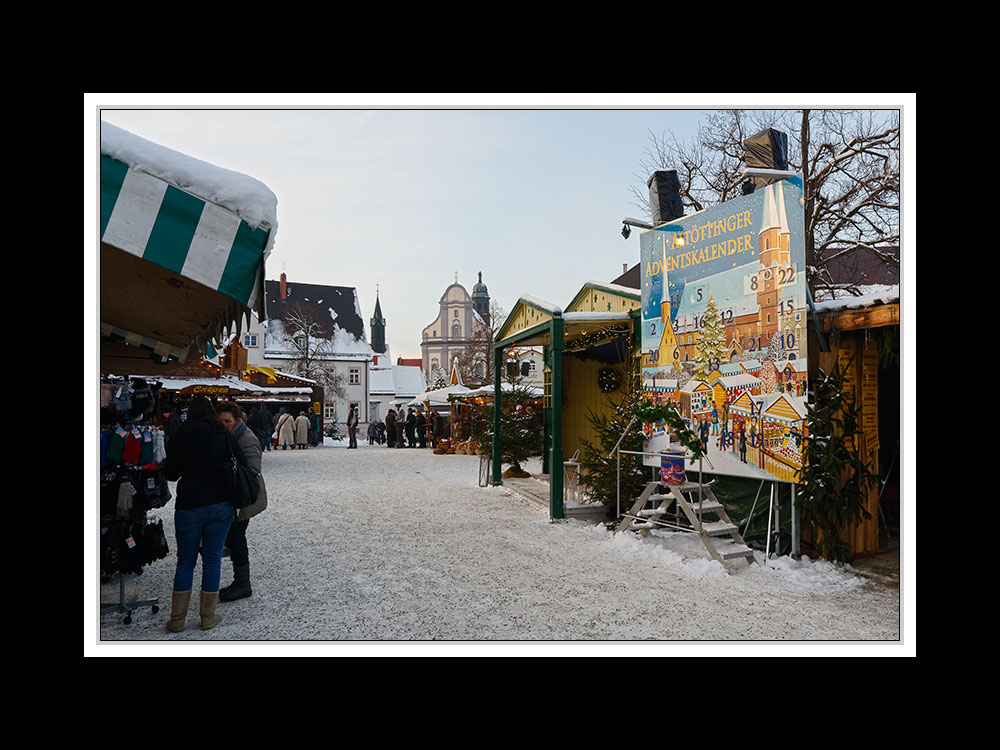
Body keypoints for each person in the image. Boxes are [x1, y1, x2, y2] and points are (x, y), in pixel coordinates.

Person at [162, 396, 239, 632]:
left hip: (189, 505)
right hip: (220, 503)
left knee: (185, 561)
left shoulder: (181, 434)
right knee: (212, 560)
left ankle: (177, 619)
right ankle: (207, 616)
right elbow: (239, 461)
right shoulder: (222, 433)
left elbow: (172, 474)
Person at [215, 402, 267, 602]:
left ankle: (243, 583)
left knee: (237, 538)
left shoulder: (246, 439)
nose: (223, 424)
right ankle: (241, 581)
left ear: (237, 420)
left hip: (244, 498)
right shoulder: (229, 435)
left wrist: (229, 474)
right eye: (220, 421)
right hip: (233, 497)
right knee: (233, 537)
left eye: (227, 421)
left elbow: (252, 471)